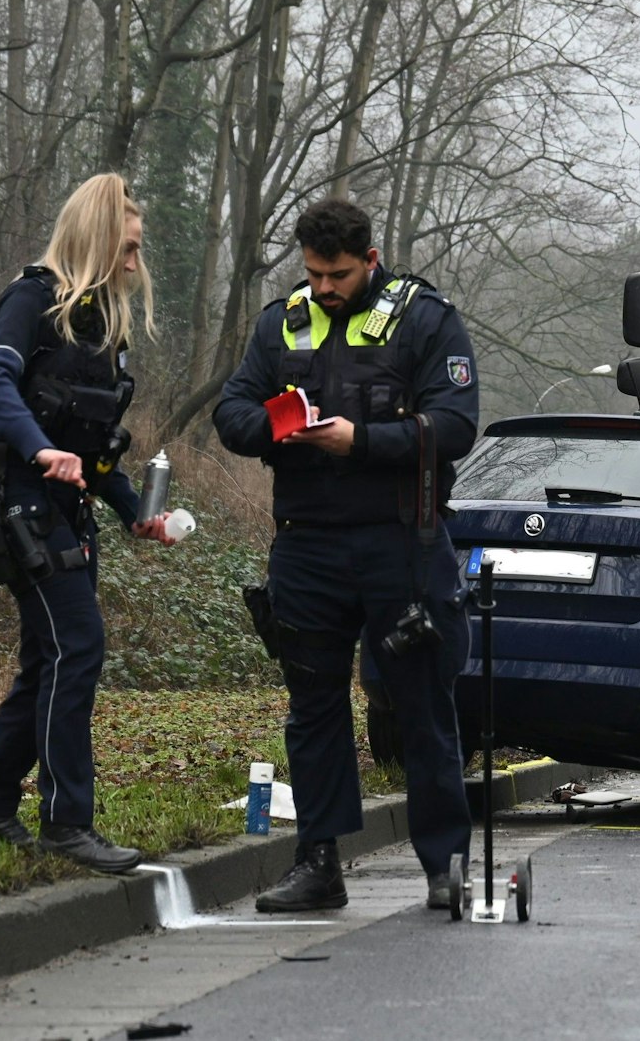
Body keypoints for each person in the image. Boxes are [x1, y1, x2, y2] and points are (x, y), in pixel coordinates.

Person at [213, 199, 478, 912]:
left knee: (421, 703)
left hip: (402, 540)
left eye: (336, 275)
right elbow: (231, 413)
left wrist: (357, 441)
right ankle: (318, 864)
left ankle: (444, 865)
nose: (324, 288)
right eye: (313, 274)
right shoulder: (282, 322)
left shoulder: (425, 318)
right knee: (313, 706)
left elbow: (455, 425)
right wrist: (285, 424)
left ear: (369, 258)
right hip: (307, 543)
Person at [0, 172, 174, 874]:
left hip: (68, 510)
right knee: (78, 646)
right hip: (16, 503)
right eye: (129, 248)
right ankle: (66, 823)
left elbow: (95, 454)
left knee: (47, 658)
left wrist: (138, 512)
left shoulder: (102, 327)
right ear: (99, 239)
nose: (136, 264)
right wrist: (39, 447)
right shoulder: (31, 298)